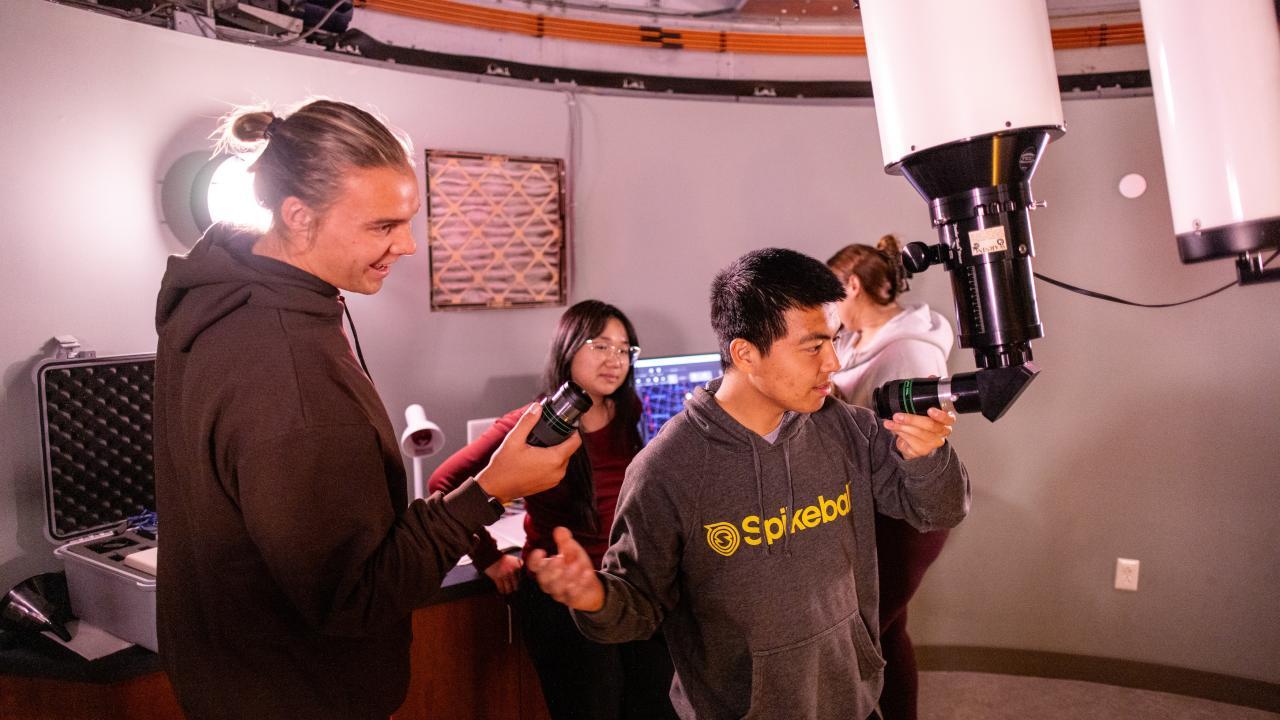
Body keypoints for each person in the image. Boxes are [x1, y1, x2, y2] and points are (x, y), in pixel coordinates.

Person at [152, 99, 580, 720]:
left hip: (230, 683)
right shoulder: (287, 376)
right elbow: (353, 598)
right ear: (298, 217)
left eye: (408, 220)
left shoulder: (225, 297)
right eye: (382, 226)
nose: (407, 246)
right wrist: (492, 489)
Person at [529, 247, 970, 720]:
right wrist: (593, 596)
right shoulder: (666, 470)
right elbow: (637, 607)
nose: (834, 363)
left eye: (835, 341)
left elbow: (939, 511)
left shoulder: (847, 428)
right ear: (746, 353)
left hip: (852, 701)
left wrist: (926, 457)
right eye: (813, 346)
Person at [429, 299, 678, 720]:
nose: (614, 359)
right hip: (563, 598)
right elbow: (443, 484)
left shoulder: (632, 412)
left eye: (624, 349)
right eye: (600, 345)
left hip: (629, 590)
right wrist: (488, 559)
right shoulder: (530, 423)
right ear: (568, 347)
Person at [827, 235, 955, 720]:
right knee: (889, 629)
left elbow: (906, 447)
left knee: (867, 633)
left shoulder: (911, 353)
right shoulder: (852, 342)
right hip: (868, 504)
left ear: (853, 286)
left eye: (831, 292)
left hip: (903, 510)